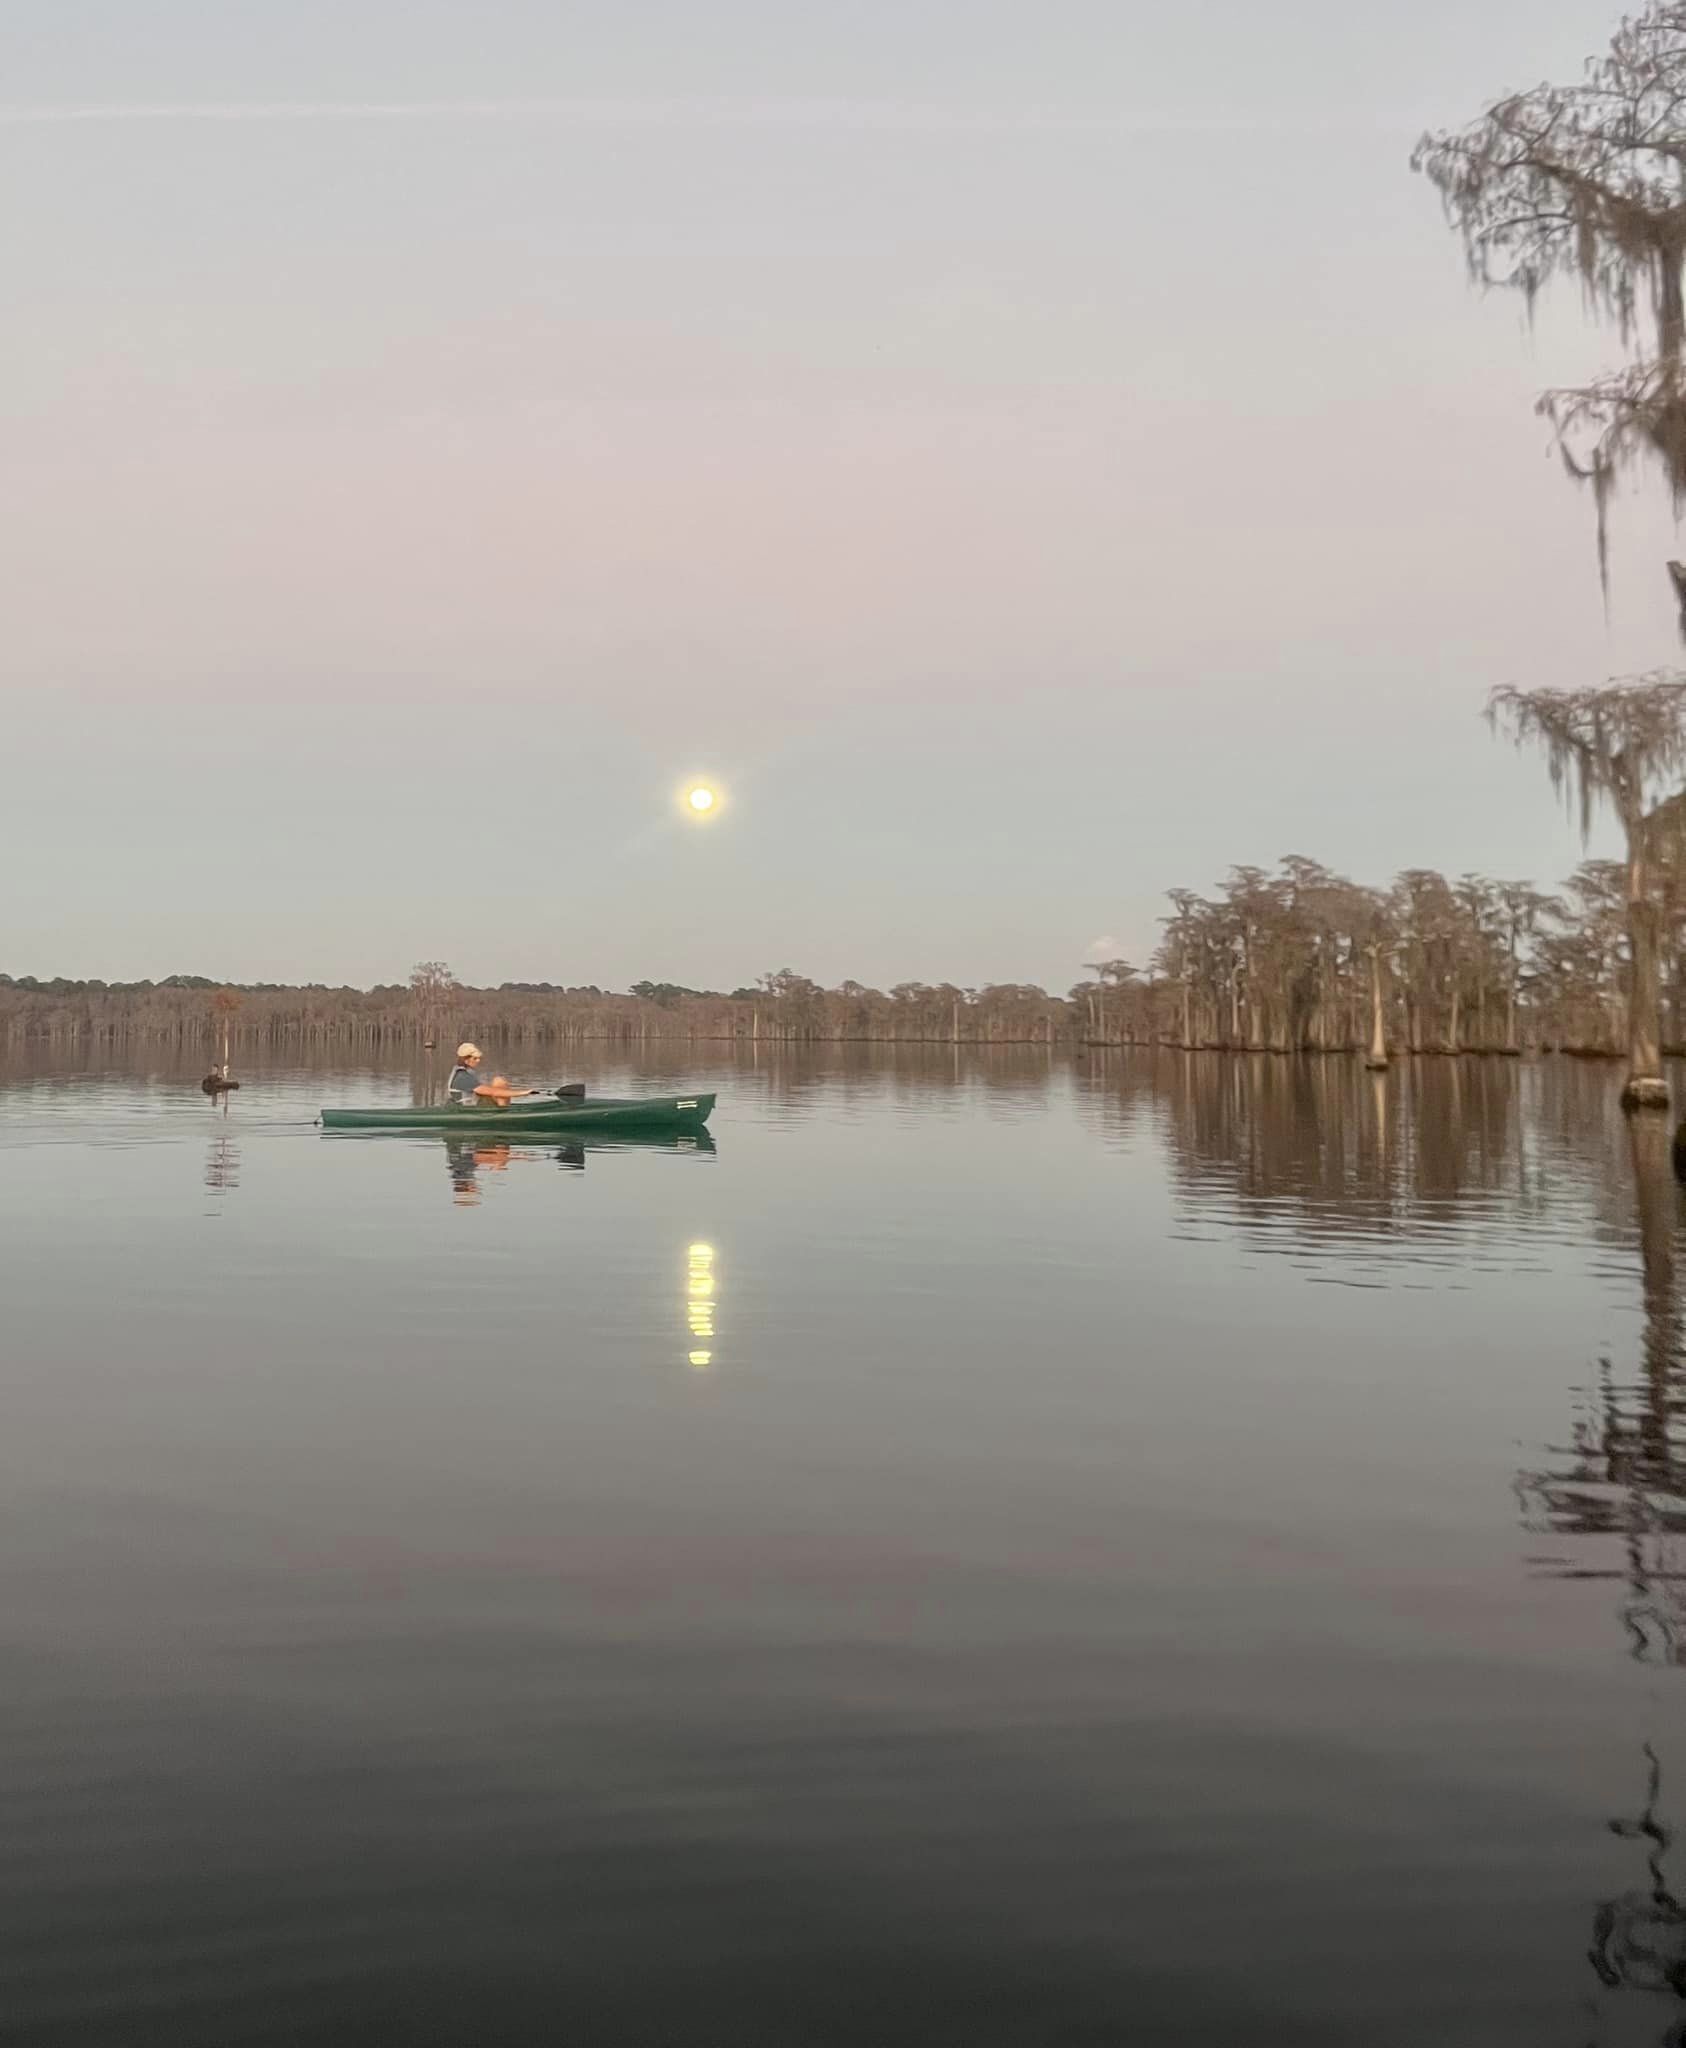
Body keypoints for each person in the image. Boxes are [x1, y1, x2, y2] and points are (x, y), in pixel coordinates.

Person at [445, 1043, 536, 1108]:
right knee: (499, 1081)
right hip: (470, 1109)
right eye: (475, 1058)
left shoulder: (464, 1072)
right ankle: (504, 1115)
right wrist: (524, 1092)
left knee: (498, 1081)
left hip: (474, 1105)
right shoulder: (462, 1077)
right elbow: (493, 1092)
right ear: (466, 1060)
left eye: (479, 1058)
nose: (478, 1061)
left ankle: (503, 1110)